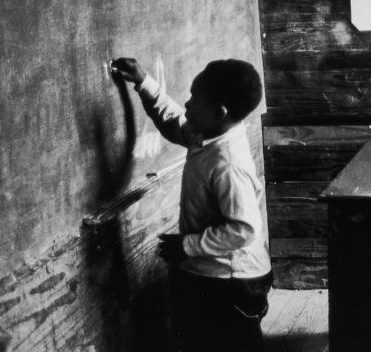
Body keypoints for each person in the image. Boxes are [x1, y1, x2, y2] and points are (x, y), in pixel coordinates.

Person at [110, 57, 271, 352]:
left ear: (219, 112)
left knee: (232, 343)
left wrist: (187, 246)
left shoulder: (229, 163)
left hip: (232, 279)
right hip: (213, 271)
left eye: (195, 99)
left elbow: (244, 228)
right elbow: (174, 123)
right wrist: (144, 83)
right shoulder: (209, 133)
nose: (187, 104)